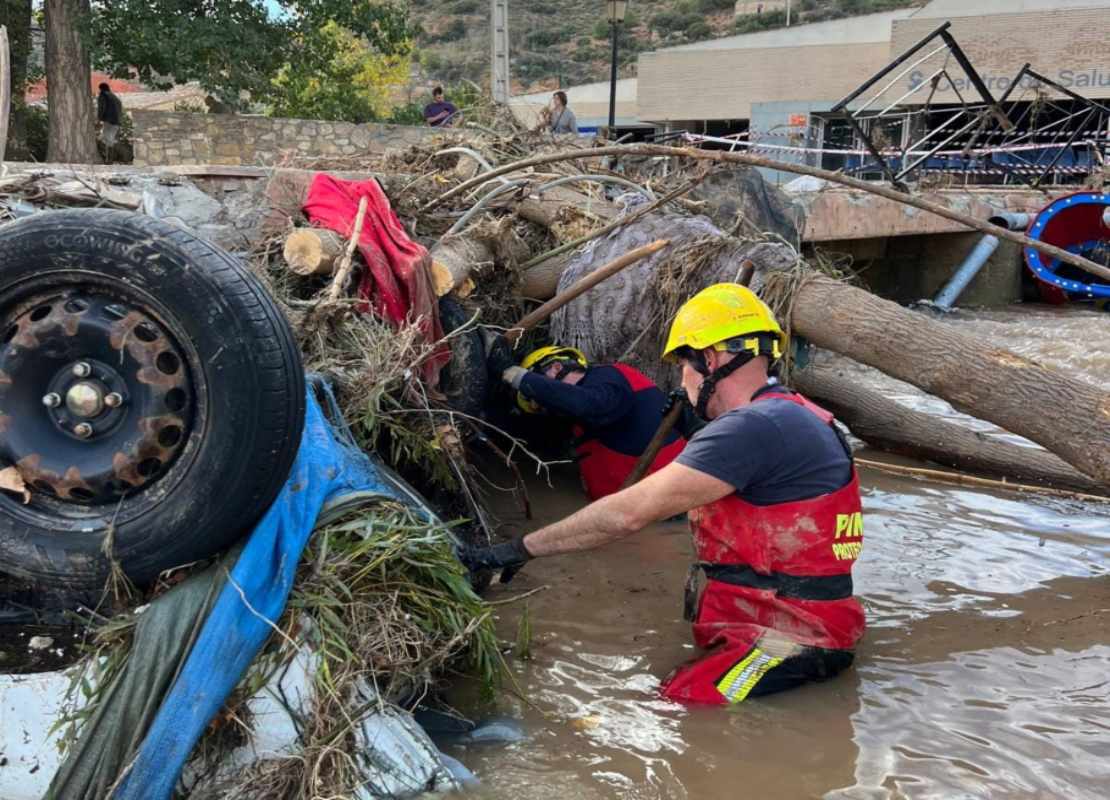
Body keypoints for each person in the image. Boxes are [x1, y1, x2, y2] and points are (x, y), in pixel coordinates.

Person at [465, 284, 865, 705]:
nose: (682, 380)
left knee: (677, 706)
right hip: (811, 630)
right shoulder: (799, 415)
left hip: (786, 643)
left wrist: (519, 548)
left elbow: (627, 515)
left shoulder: (752, 428)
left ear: (709, 360)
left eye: (683, 367)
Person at [486, 341, 686, 501]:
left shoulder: (608, 377)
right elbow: (527, 434)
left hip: (668, 499)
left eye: (537, 397)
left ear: (556, 368)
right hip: (631, 513)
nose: (539, 404)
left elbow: (592, 405)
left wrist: (514, 374)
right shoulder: (572, 417)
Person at [96, 82, 124, 159]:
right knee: (110, 139)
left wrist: (99, 119)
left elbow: (102, 108)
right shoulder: (114, 97)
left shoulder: (103, 95)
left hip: (109, 120)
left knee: (107, 139)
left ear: (100, 89)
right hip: (117, 121)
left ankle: (108, 158)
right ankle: (110, 158)